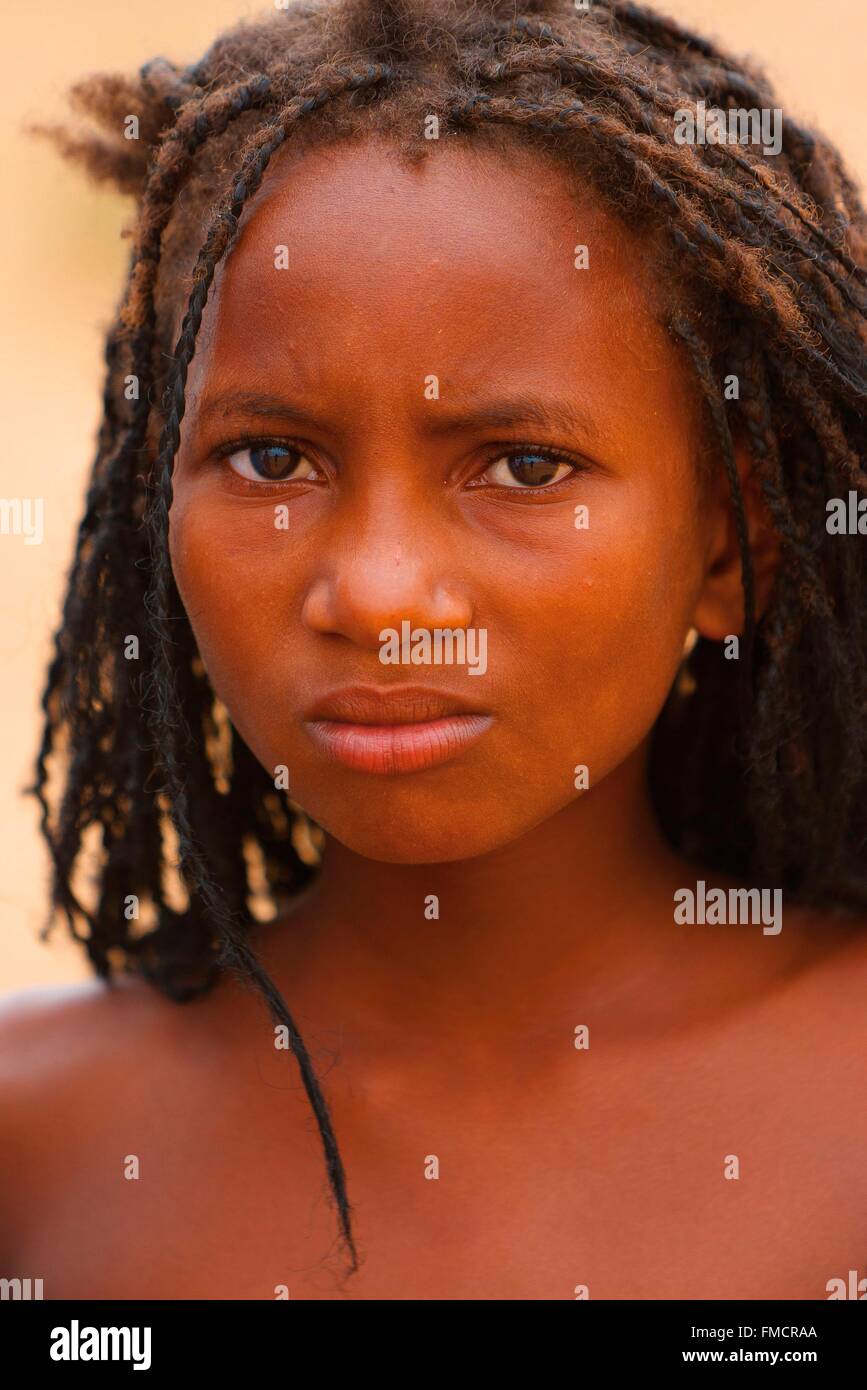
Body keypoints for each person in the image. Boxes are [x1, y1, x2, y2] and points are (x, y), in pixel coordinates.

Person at [1, 0, 865, 1300]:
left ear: (727, 548)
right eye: (272, 458)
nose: (377, 590)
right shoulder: (35, 1144)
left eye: (523, 465)